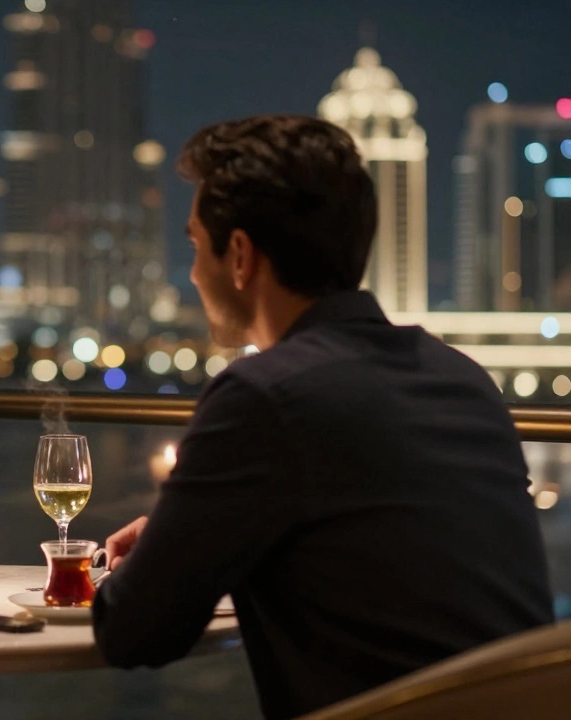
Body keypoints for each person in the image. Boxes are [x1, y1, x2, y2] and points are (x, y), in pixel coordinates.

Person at [92, 115, 553, 719]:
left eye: (194, 247)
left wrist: (137, 568)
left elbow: (134, 633)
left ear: (238, 256)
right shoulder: (461, 378)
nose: (194, 274)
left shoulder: (261, 397)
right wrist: (186, 534)